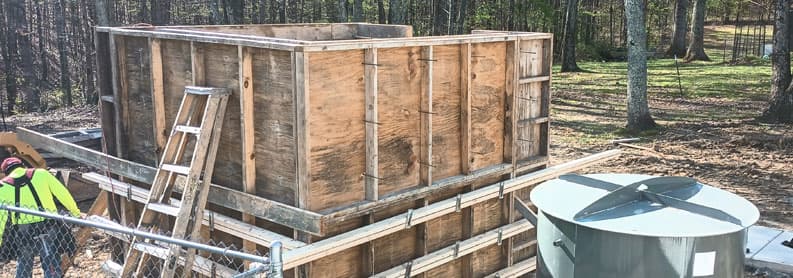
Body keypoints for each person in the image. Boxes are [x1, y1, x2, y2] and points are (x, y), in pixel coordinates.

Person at [0, 157, 82, 278]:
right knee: (51, 259)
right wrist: (76, 214)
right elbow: (63, 194)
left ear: (6, 172)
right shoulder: (42, 174)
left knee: (24, 262)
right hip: (48, 224)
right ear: (23, 166)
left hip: (23, 229)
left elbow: (1, 217)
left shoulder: (3, 186)